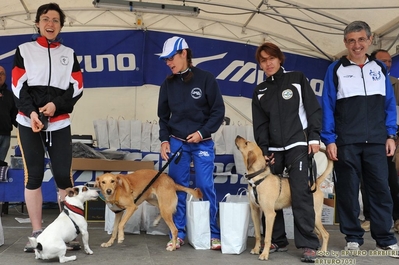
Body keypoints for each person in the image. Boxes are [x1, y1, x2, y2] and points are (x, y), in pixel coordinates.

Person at [321, 21, 399, 255]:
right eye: (352, 40)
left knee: (380, 191)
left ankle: (385, 238)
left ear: (370, 39)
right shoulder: (335, 69)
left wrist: (391, 135)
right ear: (345, 43)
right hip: (346, 141)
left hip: (376, 141)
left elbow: (389, 104)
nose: (357, 45)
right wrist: (329, 139)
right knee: (347, 191)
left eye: (361, 39)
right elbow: (327, 105)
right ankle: (353, 237)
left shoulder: (380, 68)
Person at [11, 3, 83, 252]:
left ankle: (69, 231)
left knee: (64, 175)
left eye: (55, 20)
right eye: (45, 19)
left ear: (61, 25)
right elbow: (18, 87)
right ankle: (37, 232)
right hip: (29, 122)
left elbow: (77, 87)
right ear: (38, 23)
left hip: (60, 122)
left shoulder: (70, 53)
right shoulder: (24, 50)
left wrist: (56, 105)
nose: (50, 24)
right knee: (35, 176)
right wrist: (32, 113)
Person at [252, 42, 322, 263]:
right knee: (270, 199)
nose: (268, 63)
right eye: (263, 61)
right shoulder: (260, 91)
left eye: (271, 58)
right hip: (273, 151)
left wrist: (313, 137)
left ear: (279, 58)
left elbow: (313, 109)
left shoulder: (297, 79)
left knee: (301, 192)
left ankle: (309, 244)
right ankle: (277, 240)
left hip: (297, 146)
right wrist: (264, 150)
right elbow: (260, 125)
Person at [157, 36, 225, 250]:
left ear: (183, 53)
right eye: (166, 60)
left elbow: (218, 112)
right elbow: (163, 117)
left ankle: (213, 233)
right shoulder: (167, 84)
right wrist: (164, 140)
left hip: (202, 142)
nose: (168, 63)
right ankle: (177, 234)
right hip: (177, 143)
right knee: (177, 187)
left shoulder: (206, 79)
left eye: (171, 58)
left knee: (205, 186)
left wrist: (202, 132)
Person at [360, 49, 399, 233]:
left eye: (390, 61)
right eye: (383, 60)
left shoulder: (396, 84)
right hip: (368, 138)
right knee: (367, 179)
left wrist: (393, 136)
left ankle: (397, 217)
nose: (388, 63)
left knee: (391, 180)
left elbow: (393, 109)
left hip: (391, 138)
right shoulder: (364, 79)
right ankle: (369, 217)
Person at [0, 66, 18, 162]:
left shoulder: (9, 95)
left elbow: (14, 115)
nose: (0, 76)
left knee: (1, 164)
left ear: (5, 77)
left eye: (2, 74)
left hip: (6, 136)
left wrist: (23, 127)